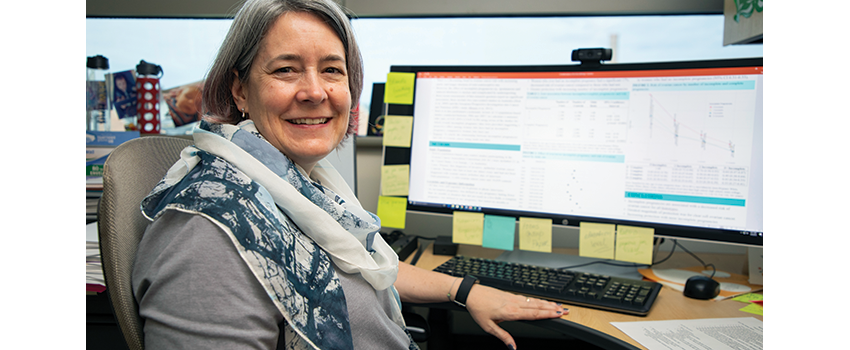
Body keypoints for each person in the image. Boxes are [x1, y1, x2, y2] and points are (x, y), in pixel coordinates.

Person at [132, 0, 568, 349]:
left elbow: (358, 265)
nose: (315, 91)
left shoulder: (298, 187)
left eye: (332, 70)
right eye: (285, 69)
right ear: (240, 89)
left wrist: (465, 290)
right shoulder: (207, 230)